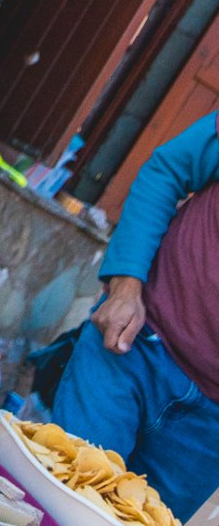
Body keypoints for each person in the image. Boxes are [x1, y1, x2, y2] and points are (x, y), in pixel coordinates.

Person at [52, 112, 219, 522]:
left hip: (207, 432)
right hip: (133, 341)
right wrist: (126, 285)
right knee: (55, 503)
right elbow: (169, 170)